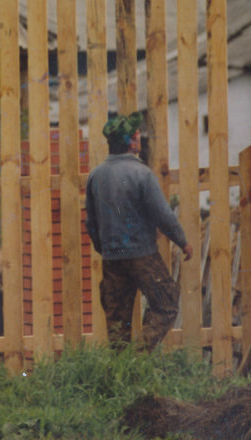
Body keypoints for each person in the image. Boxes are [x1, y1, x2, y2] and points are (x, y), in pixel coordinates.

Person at [84, 112, 194, 351]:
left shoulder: (96, 176)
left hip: (112, 258)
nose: (139, 139)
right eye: (137, 135)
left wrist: (103, 247)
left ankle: (122, 376)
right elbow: (163, 215)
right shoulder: (142, 174)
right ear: (132, 142)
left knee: (117, 323)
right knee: (166, 303)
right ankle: (138, 356)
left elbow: (90, 223)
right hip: (142, 255)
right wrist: (182, 241)